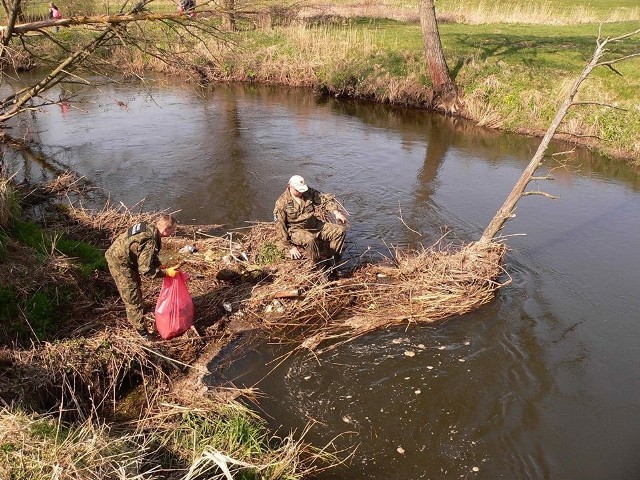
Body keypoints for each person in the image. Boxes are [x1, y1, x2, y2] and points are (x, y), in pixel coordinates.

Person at [105, 214, 179, 336]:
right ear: (166, 230)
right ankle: (141, 331)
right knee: (131, 296)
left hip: (127, 258)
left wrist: (159, 265)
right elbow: (145, 270)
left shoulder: (150, 228)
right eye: (173, 230)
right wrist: (166, 273)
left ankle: (141, 307)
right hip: (119, 263)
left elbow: (147, 254)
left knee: (136, 284)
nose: (174, 232)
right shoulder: (149, 240)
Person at [273, 175, 348, 267]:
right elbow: (280, 226)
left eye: (302, 190)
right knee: (310, 239)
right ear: (290, 186)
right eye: (298, 190)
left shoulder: (308, 192)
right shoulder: (282, 203)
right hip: (296, 230)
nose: (301, 192)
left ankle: (333, 262)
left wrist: (336, 212)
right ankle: (318, 265)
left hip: (314, 224)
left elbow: (324, 200)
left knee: (340, 231)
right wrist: (290, 247)